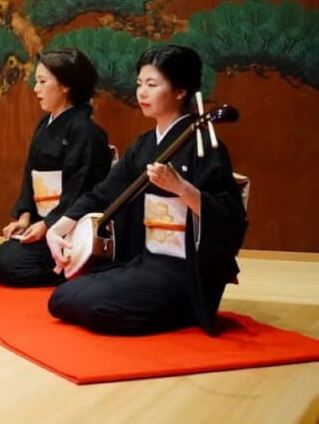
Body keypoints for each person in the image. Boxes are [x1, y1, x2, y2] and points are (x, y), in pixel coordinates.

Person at [46, 45, 247, 335]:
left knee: (99, 308)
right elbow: (103, 193)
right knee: (62, 298)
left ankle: (186, 307)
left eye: (152, 85)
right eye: (140, 84)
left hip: (183, 271)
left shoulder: (205, 147)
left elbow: (230, 217)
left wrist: (182, 189)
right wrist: (58, 229)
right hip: (145, 259)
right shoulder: (143, 145)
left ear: (180, 91)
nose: (142, 92)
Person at [0, 48, 112, 287]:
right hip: (41, 221)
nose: (36, 89)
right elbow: (31, 174)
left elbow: (82, 190)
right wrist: (25, 218)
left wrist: (48, 226)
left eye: (42, 81)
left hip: (66, 227)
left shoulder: (86, 132)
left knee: (7, 267)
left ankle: (73, 265)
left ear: (66, 85)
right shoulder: (44, 124)